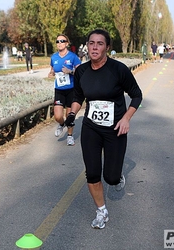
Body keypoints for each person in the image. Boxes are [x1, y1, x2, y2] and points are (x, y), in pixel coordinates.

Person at [64, 29, 142, 229]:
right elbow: (78, 97)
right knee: (92, 173)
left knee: (111, 177)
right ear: (87, 46)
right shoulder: (81, 71)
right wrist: (72, 114)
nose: (95, 47)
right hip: (91, 128)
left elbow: (136, 95)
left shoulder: (118, 70)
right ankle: (102, 211)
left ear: (107, 47)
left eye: (100, 43)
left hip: (115, 128)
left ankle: (117, 176)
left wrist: (126, 118)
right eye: (91, 43)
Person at [48, 34, 81, 146]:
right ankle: (61, 124)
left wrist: (70, 71)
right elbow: (52, 69)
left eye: (62, 41)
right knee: (57, 116)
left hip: (71, 89)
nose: (60, 43)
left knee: (69, 115)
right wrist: (51, 73)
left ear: (67, 43)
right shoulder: (54, 57)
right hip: (59, 90)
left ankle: (70, 136)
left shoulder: (73, 57)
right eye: (57, 41)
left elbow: (80, 72)